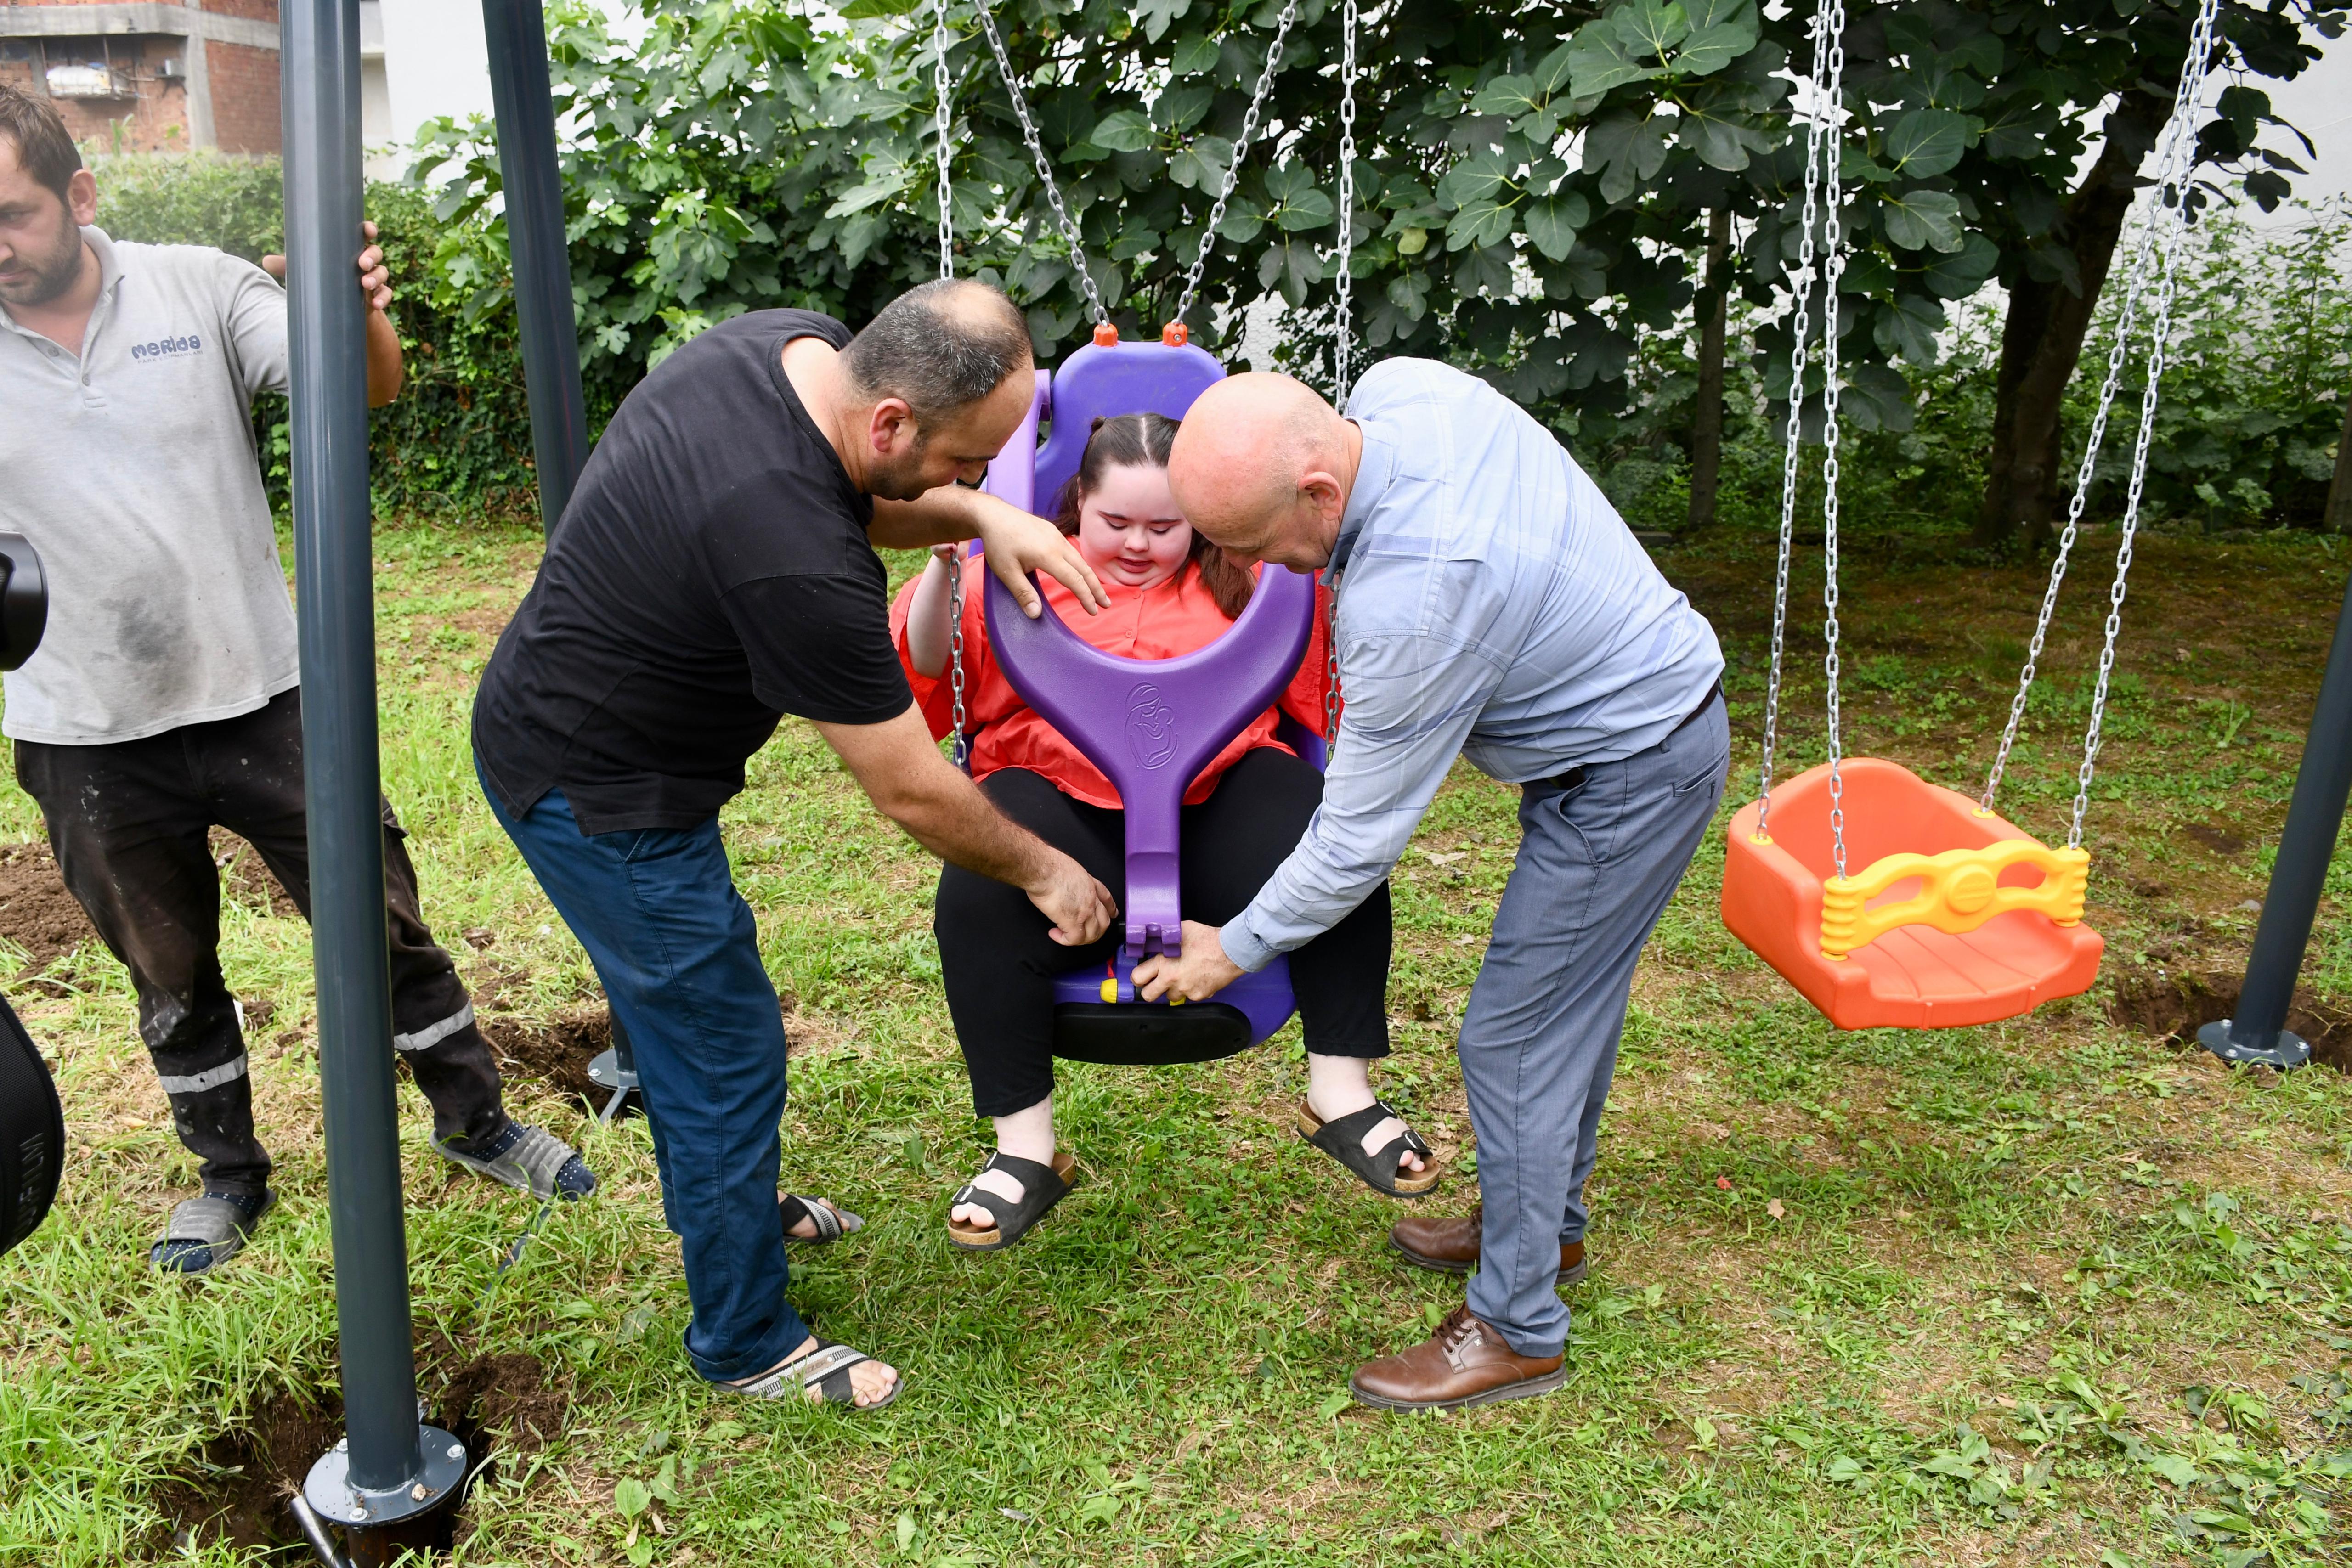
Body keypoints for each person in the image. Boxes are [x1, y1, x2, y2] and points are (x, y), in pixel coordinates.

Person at [472, 278, 1123, 1411]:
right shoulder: (789, 547)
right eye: (965, 463)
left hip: (575, 731)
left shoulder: (783, 350)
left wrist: (977, 516)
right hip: (600, 790)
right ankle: (746, 1341)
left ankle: (735, 1207)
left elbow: (862, 495)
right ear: (890, 420)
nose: (964, 482)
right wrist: (1048, 869)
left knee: (694, 1019)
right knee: (724, 1050)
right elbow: (913, 792)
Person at [0, 85, 593, 1277]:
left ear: (78, 195)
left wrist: (357, 312)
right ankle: (228, 1173)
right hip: (84, 724)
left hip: (269, 693)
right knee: (169, 971)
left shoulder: (196, 286)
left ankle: (475, 1119)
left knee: (382, 928)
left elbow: (360, 386)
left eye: (10, 215)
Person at [1136, 365, 1729, 1413]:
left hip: (1632, 768)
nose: (1232, 564)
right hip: (1645, 719)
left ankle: (1517, 1326)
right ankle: (1538, 1228)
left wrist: (1229, 946)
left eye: (1245, 539)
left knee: (1513, 1038)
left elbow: (1356, 842)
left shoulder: (1414, 598)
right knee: (1562, 1014)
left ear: (1320, 494)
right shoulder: (1404, 389)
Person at [891, 413, 1435, 1251]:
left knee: (1330, 839)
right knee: (980, 873)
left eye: (1164, 526)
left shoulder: (1251, 581)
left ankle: (1341, 1087)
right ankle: (1024, 1148)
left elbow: (1325, 700)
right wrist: (945, 560)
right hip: (1058, 807)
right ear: (1079, 504)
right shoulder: (1007, 563)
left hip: (1214, 802)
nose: (1140, 544)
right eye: (1116, 523)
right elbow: (926, 664)